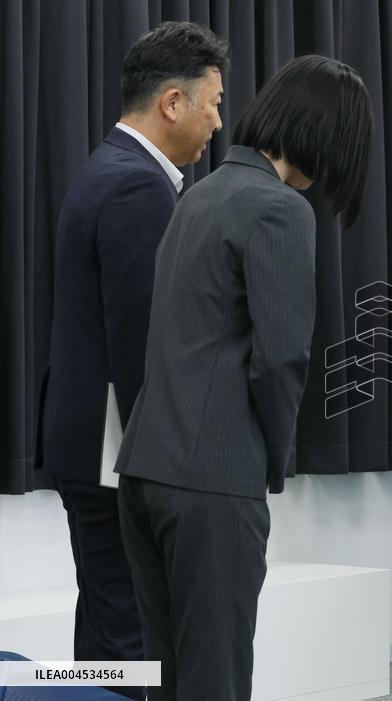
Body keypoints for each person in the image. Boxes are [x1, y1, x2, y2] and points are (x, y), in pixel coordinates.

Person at [114, 55, 373, 700]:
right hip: (213, 479)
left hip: (145, 467)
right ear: (328, 137)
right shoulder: (279, 210)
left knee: (169, 677)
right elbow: (282, 358)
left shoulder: (198, 193)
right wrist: (270, 460)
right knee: (217, 679)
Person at [36, 21, 229, 701]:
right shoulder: (137, 187)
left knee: (109, 626)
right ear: (172, 103)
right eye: (212, 103)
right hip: (116, 453)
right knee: (128, 638)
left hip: (93, 443)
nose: (217, 121)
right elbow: (145, 344)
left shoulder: (111, 168)